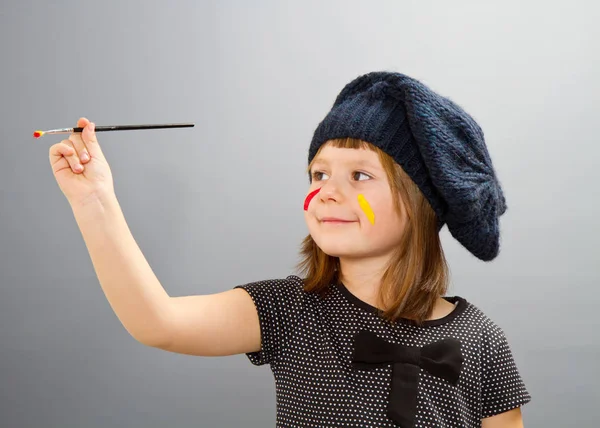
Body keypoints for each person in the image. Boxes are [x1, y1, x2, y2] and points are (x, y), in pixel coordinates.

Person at [49, 71, 531, 427]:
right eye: (319, 174)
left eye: (359, 176)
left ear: (423, 203)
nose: (327, 192)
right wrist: (94, 200)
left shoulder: (482, 340)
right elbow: (158, 322)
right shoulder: (286, 310)